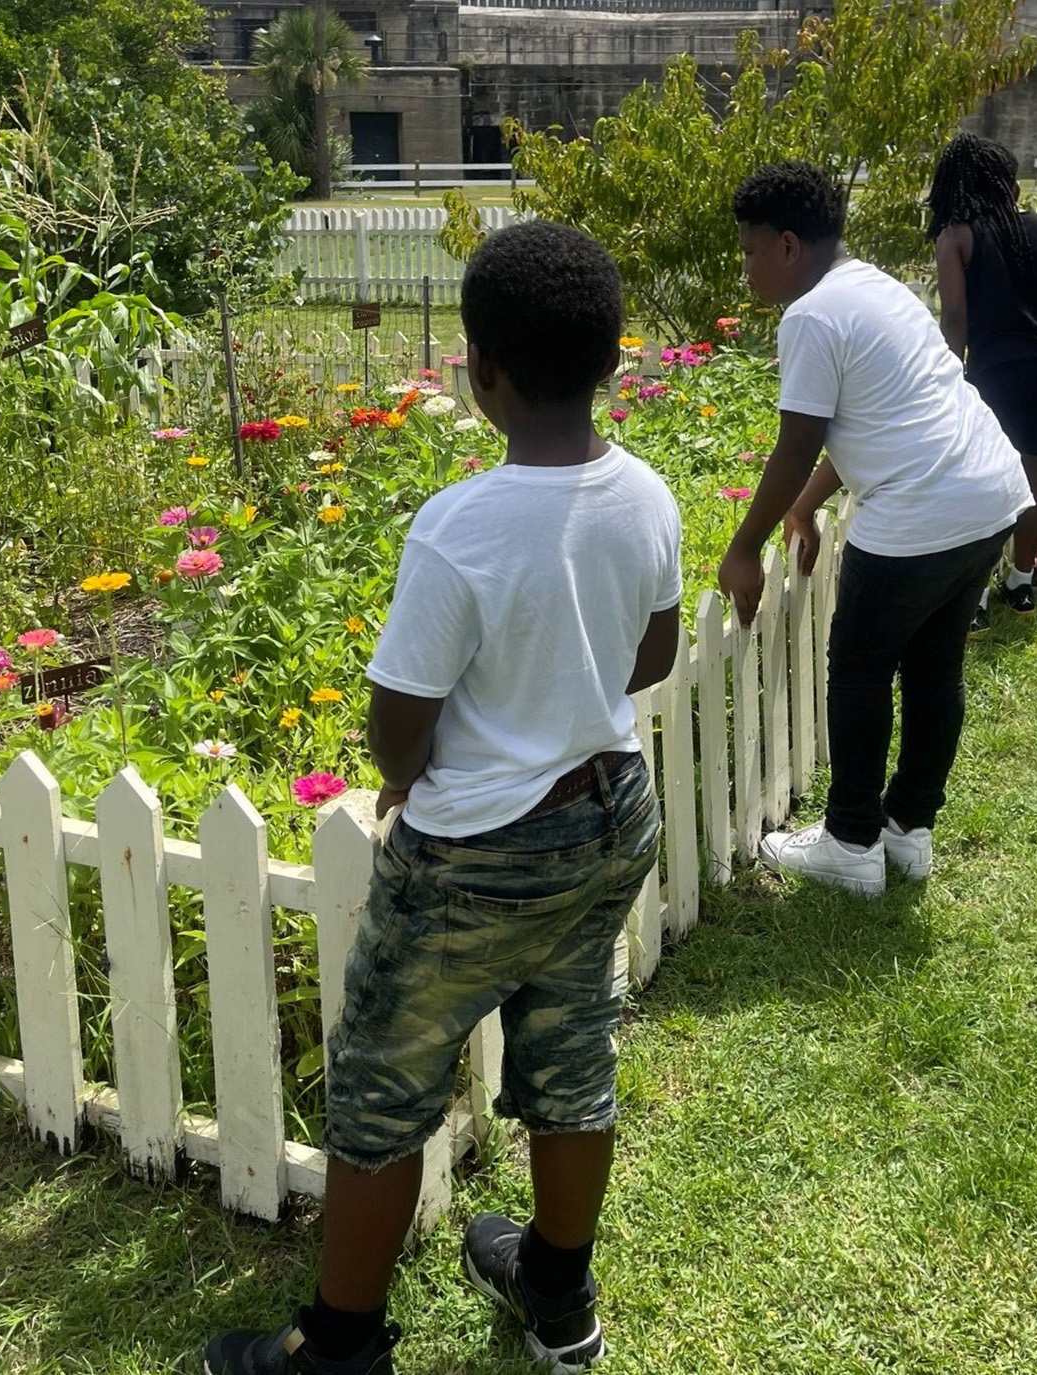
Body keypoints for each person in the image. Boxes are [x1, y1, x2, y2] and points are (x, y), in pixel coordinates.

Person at [202, 220, 683, 1375]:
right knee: (571, 1060)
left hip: (478, 853)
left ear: (481, 371)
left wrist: (414, 779)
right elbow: (654, 653)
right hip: (610, 811)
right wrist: (558, 698)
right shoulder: (644, 494)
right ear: (612, 360)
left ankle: (339, 1348)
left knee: (379, 1092)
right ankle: (556, 1295)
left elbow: (397, 723)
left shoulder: (461, 524)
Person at [719, 162, 1031, 897]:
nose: (746, 267)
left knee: (858, 670)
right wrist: (804, 505)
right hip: (988, 494)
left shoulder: (812, 315)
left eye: (749, 249)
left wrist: (743, 549)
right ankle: (908, 829)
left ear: (788, 246)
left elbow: (797, 443)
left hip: (921, 511)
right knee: (933, 669)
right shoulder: (877, 288)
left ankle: (851, 843)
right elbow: (872, 418)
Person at [928, 133, 1037, 620]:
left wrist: (946, 381)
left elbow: (954, 318)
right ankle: (1021, 584)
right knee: (1033, 478)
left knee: (982, 480)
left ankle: (975, 598)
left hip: (993, 371)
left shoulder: (955, 235)